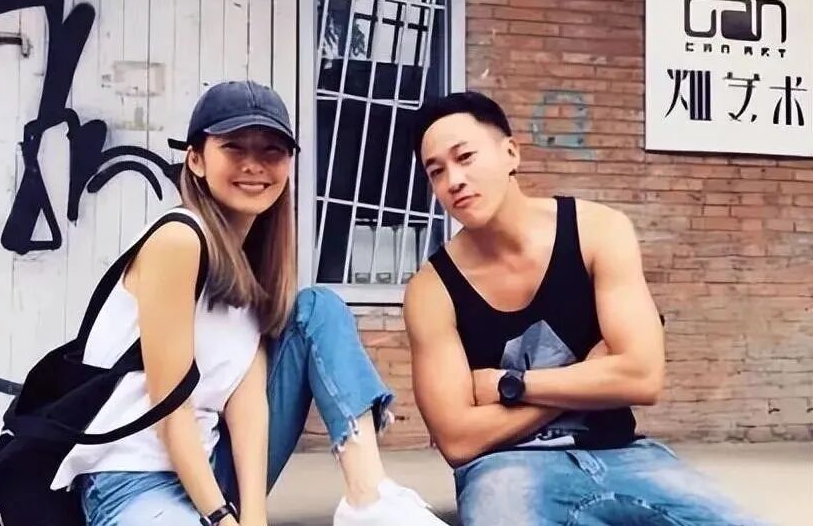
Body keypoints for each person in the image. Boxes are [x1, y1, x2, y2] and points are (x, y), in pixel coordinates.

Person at [52, 80, 447, 526]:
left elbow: (249, 405)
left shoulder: (252, 262)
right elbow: (170, 411)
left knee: (318, 308)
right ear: (196, 159)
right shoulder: (179, 240)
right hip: (132, 480)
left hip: (212, 468)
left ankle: (368, 496)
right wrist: (222, 517)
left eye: (272, 151)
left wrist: (254, 516)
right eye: (234, 147)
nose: (254, 165)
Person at [403, 90, 768, 526]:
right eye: (437, 171)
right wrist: (590, 376)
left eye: (465, 157)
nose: (454, 180)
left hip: (627, 456)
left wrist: (508, 385)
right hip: (507, 469)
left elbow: (643, 376)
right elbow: (458, 440)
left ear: (511, 153)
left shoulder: (599, 231)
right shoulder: (431, 290)